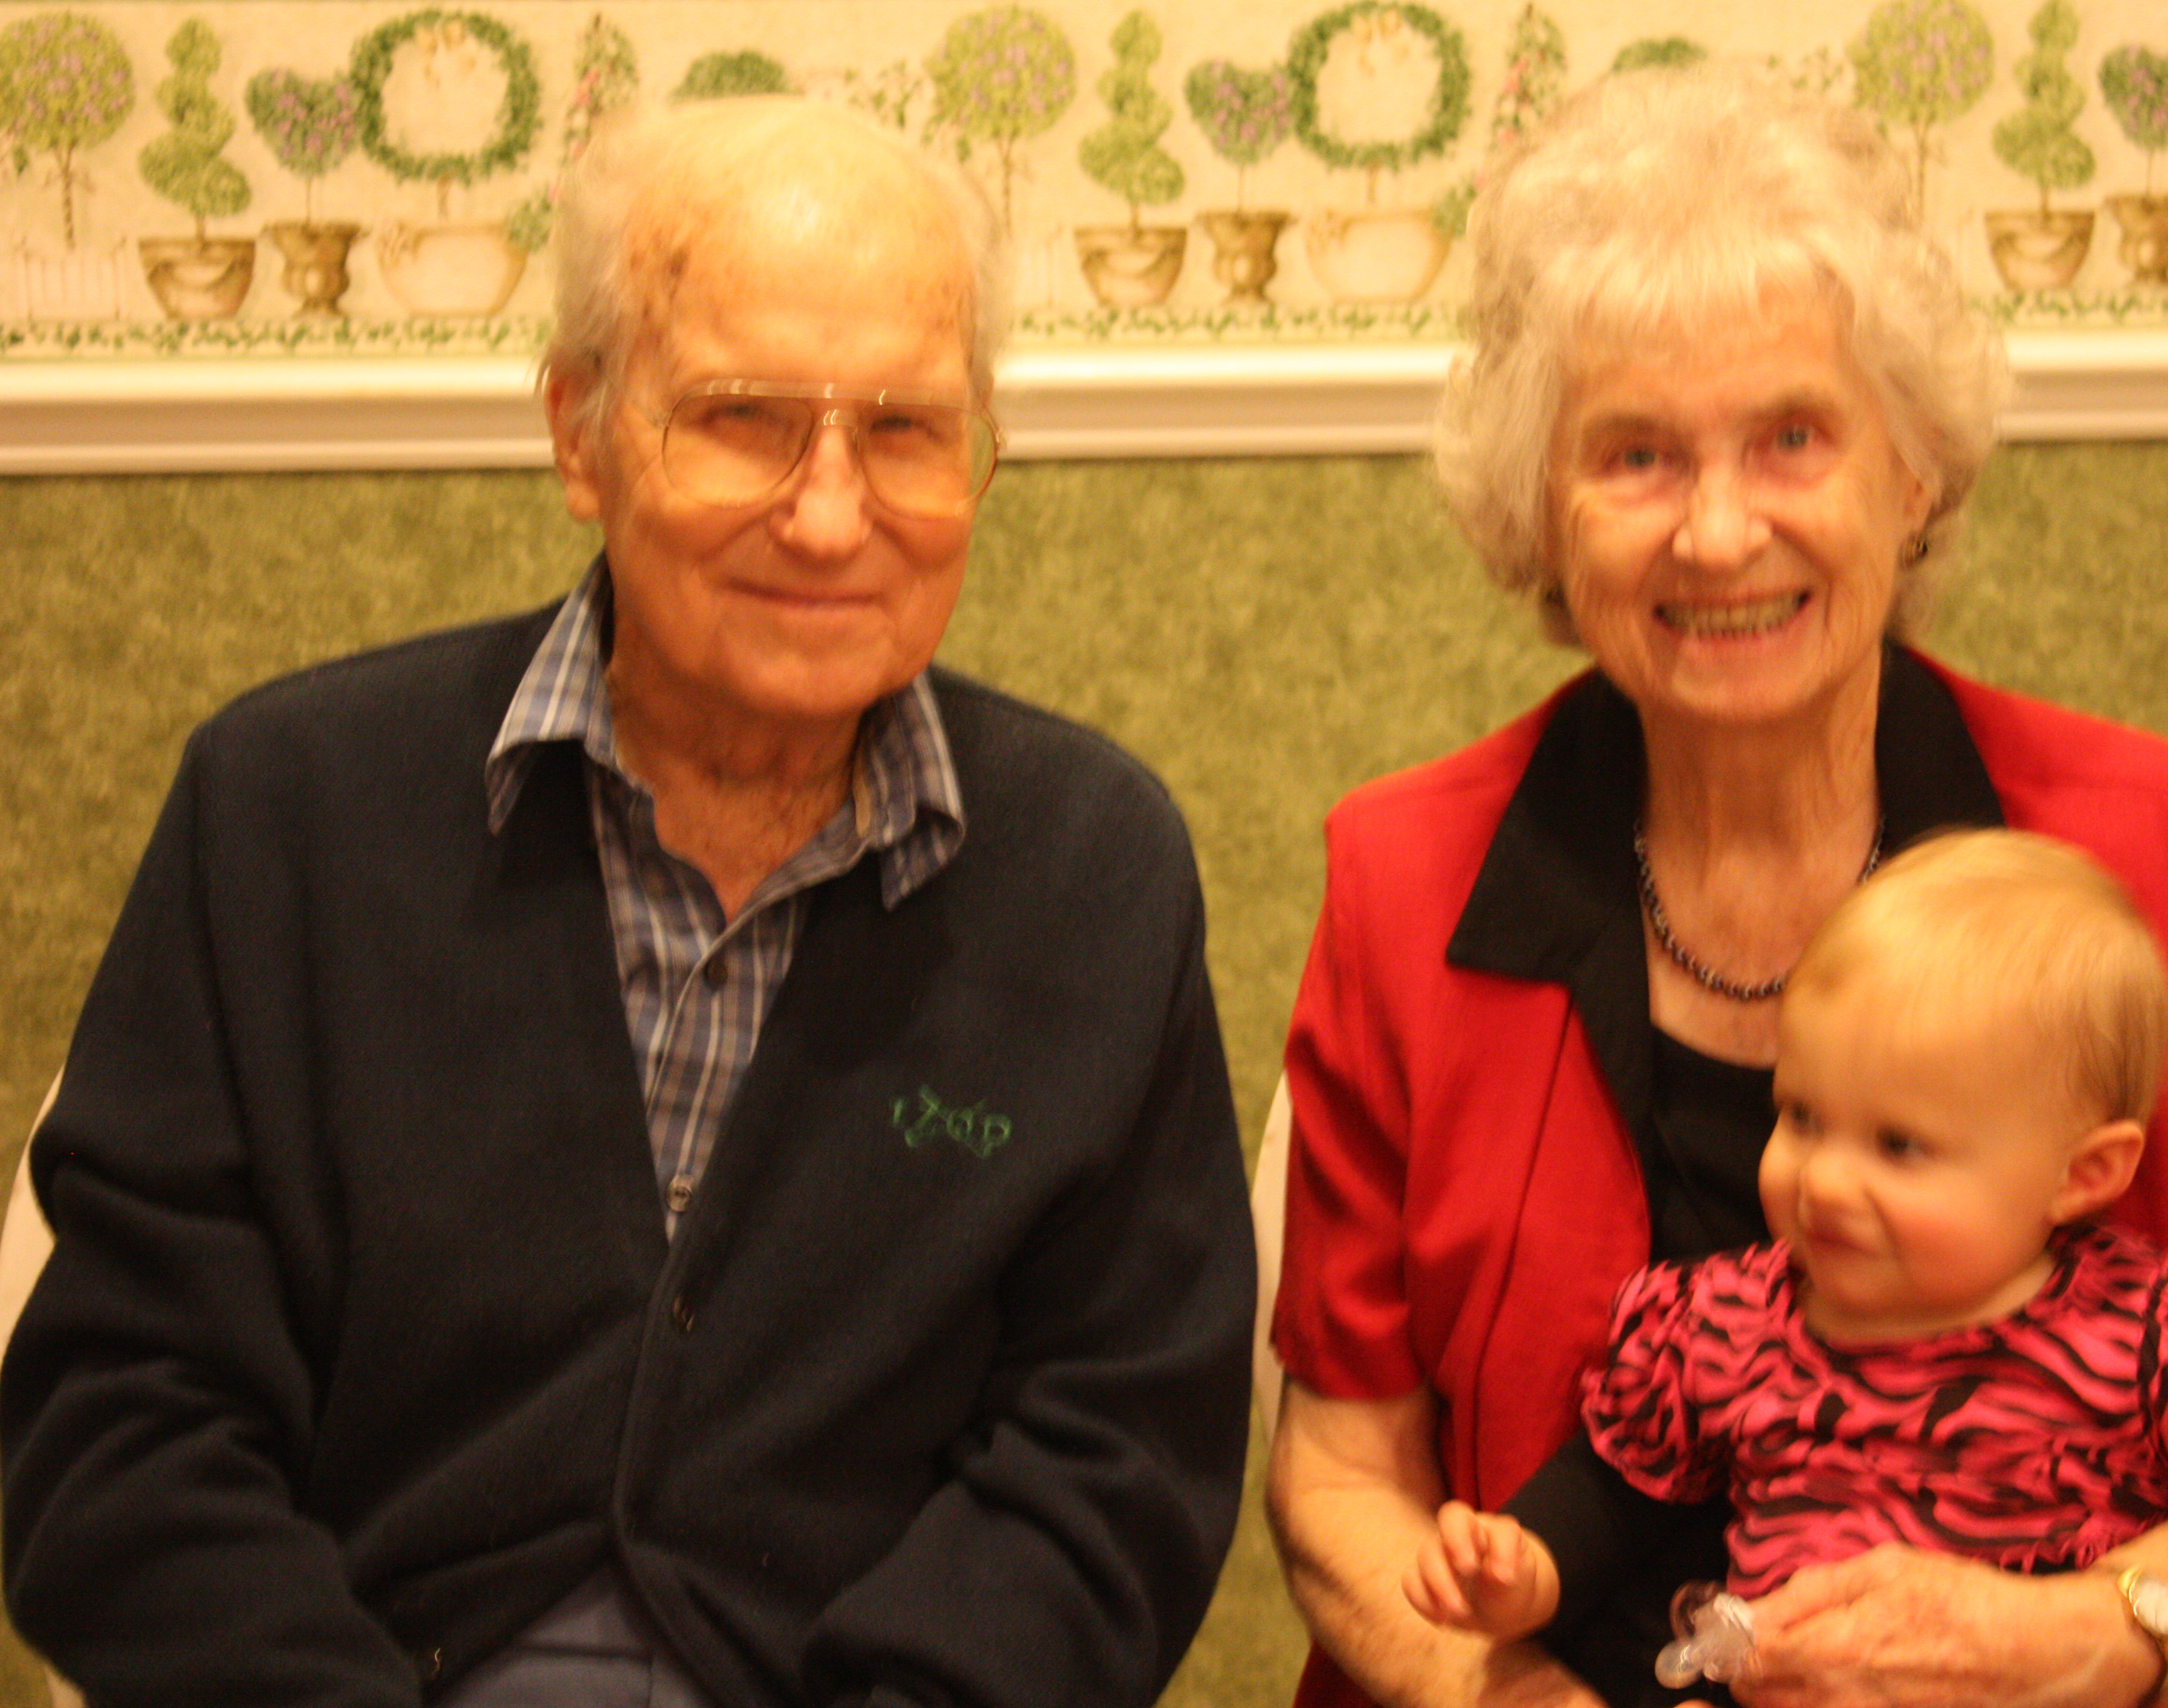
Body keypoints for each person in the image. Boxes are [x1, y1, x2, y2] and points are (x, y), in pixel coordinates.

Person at [2, 98, 1254, 1708]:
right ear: (580, 434)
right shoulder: (286, 814)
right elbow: (123, 1423)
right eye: (739, 418)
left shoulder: (1094, 873)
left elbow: (1114, 1462)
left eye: (905, 430)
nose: (829, 513)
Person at [1264, 65, 2168, 1708]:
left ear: (1913, 472)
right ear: (1546, 509)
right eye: (1636, 456)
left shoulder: (2129, 842)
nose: (1718, 532)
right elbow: (1339, 1479)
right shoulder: (1408, 883)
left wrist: (2095, 1632)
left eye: (1793, 438)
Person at [1406, 831, 2168, 1708]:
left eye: (1899, 1146)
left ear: (2083, 1175)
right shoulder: (1730, 1327)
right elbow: (1618, 1489)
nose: (1823, 1181)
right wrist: (1527, 1567)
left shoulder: (2152, 1341)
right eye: (1802, 1117)